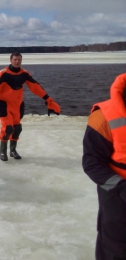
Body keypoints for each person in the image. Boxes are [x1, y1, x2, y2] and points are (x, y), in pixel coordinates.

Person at [82, 73, 126, 260]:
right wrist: (121, 187)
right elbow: (92, 162)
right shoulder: (104, 115)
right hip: (118, 198)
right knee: (114, 249)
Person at [0, 52, 61, 161]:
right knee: (8, 129)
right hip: (5, 105)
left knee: (17, 129)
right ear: (10, 60)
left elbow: (35, 87)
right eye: (15, 59)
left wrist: (48, 99)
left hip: (18, 106)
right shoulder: (3, 73)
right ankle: (3, 152)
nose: (17, 62)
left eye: (19, 60)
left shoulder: (24, 74)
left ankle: (12, 150)